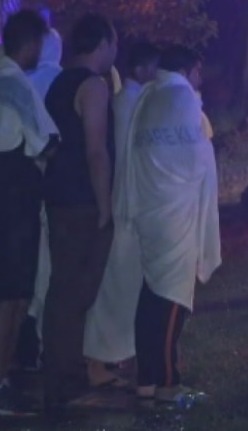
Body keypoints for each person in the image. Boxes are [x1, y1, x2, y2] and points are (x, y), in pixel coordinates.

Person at [0, 9, 59, 416]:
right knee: (13, 296)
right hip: (17, 203)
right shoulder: (16, 85)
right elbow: (44, 140)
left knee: (3, 293)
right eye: (39, 42)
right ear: (31, 43)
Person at [121, 45, 221, 404]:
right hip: (174, 213)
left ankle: (146, 378)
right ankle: (167, 383)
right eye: (199, 70)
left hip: (150, 209)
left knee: (152, 294)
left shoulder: (149, 97)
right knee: (172, 298)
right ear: (189, 69)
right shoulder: (181, 98)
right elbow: (193, 159)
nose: (201, 79)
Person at [42, 14, 118, 408]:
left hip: (58, 197)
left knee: (63, 287)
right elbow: (95, 150)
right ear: (102, 43)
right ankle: (64, 376)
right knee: (77, 290)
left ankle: (58, 369)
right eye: (113, 43)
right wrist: (105, 207)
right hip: (83, 202)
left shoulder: (59, 83)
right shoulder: (92, 86)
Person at [83, 41, 161, 387]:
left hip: (125, 204)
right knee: (117, 287)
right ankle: (99, 359)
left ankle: (118, 356)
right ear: (143, 70)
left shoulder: (127, 101)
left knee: (123, 286)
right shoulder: (132, 103)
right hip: (127, 206)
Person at [15, 28, 63, 371]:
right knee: (48, 268)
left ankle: (23, 344)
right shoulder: (61, 81)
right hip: (51, 186)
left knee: (29, 267)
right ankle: (44, 346)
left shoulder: (21, 81)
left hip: (20, 187)